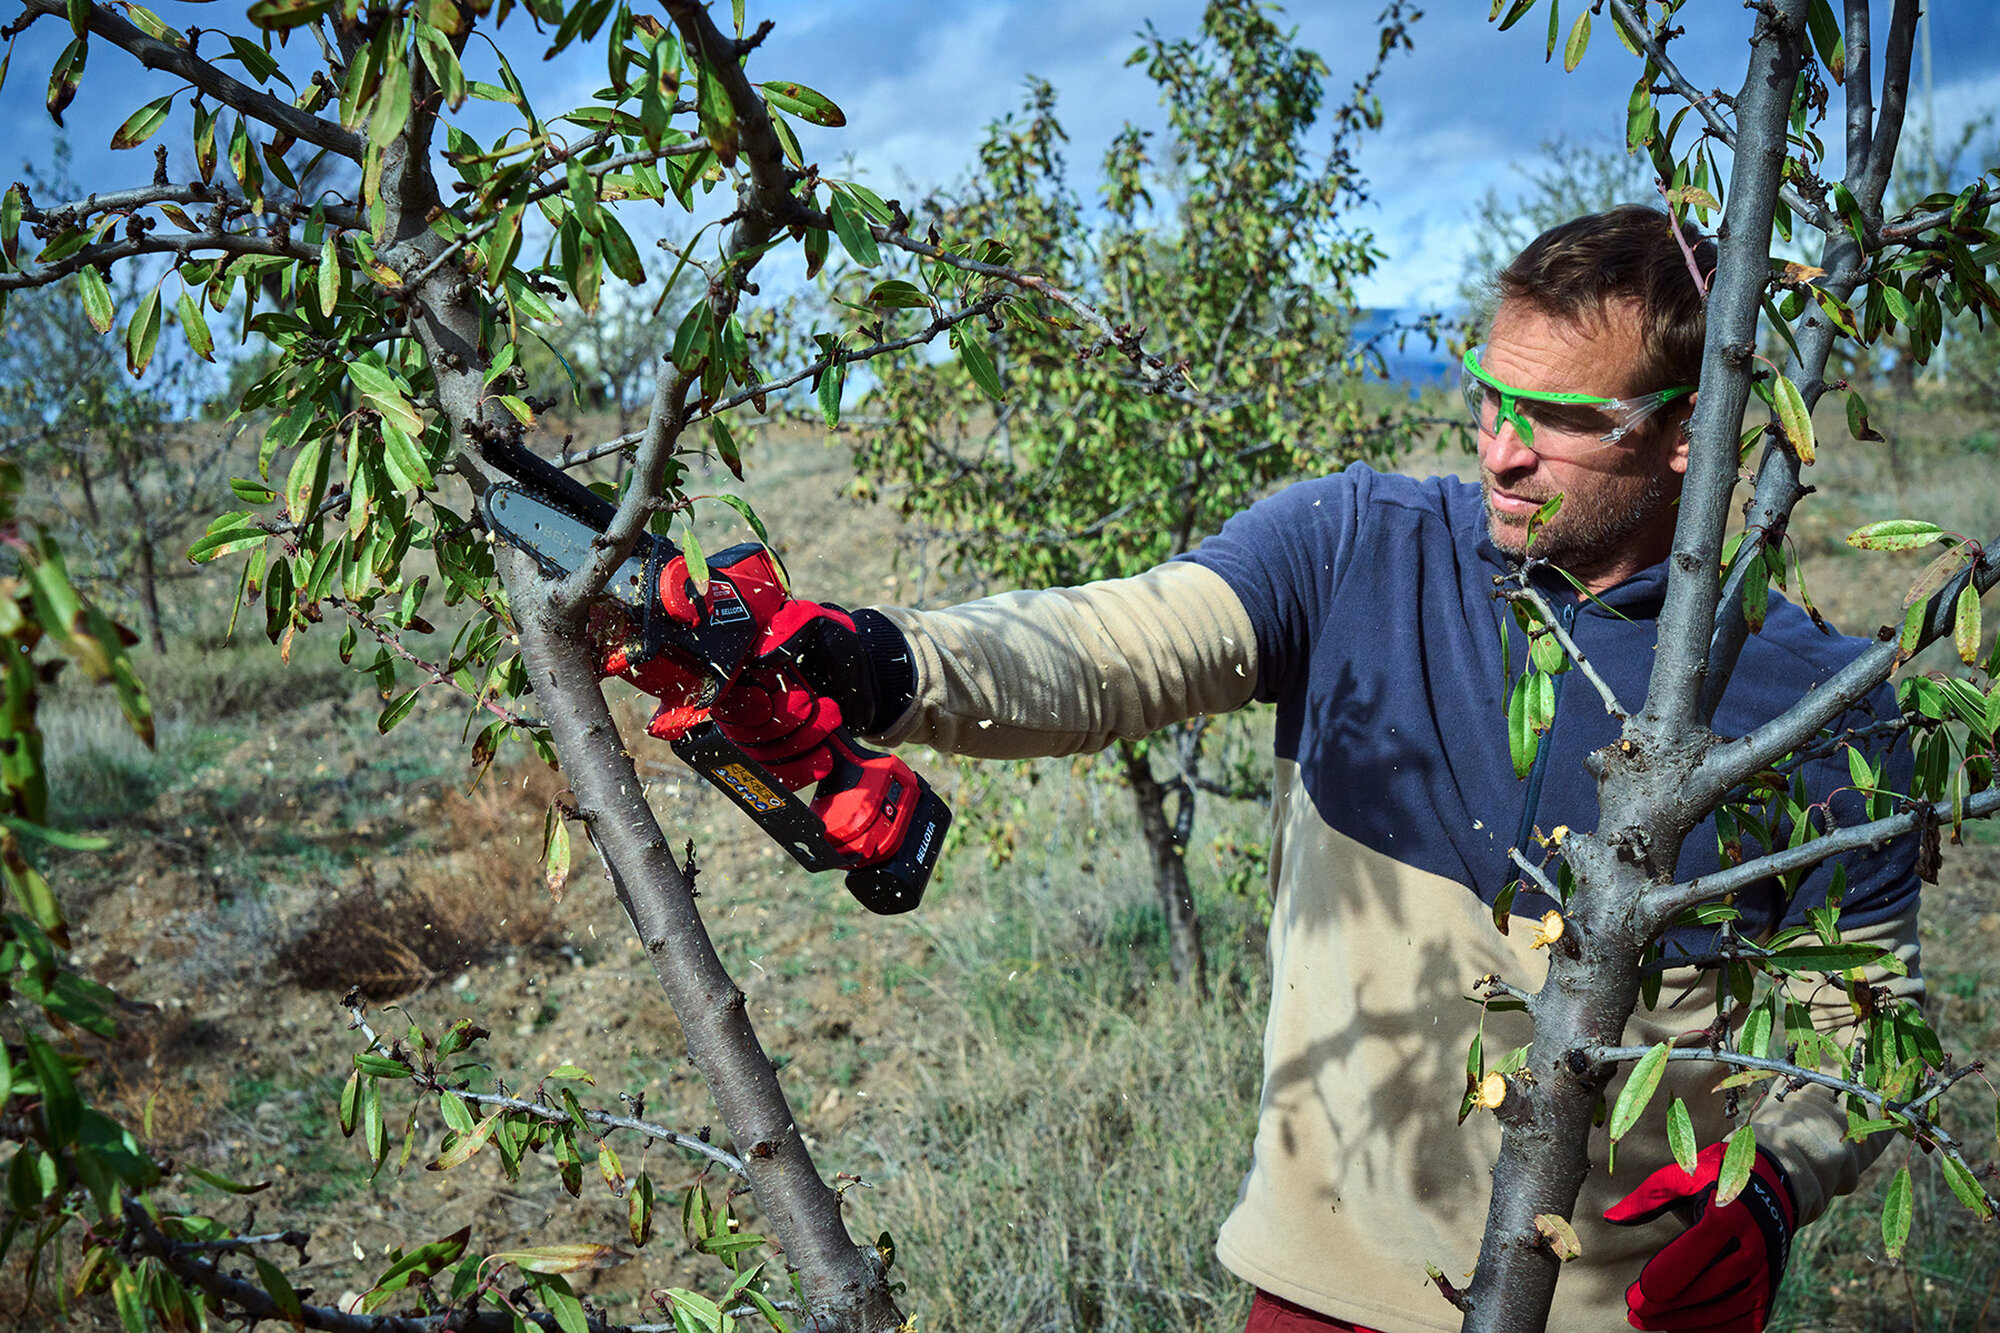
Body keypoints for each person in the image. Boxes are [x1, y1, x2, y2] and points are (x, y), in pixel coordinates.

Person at [609, 206, 1922, 1333]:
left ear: (1690, 430)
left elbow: (1868, 1048)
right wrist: (875, 661)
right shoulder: (1361, 547)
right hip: (1318, 1288)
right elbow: (1113, 644)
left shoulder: (1823, 710)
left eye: (1562, 417)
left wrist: (1773, 1188)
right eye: (1488, 392)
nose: (1501, 444)